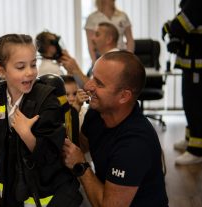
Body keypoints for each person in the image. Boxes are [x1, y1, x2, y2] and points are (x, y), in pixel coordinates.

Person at [0, 34, 82, 207]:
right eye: (21, 67)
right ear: (1, 70)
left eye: (33, 64)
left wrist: (27, 135)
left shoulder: (47, 100)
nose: (30, 72)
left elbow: (52, 152)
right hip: (11, 186)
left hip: (45, 190)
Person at [62, 51, 169, 207]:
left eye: (99, 83)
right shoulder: (97, 114)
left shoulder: (135, 144)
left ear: (124, 96)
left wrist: (81, 165)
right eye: (92, 76)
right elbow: (81, 145)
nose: (87, 86)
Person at [162, 0, 202, 165]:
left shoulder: (196, 3)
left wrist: (169, 28)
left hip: (197, 65)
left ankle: (196, 150)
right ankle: (190, 139)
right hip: (190, 64)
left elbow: (179, 26)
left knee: (195, 105)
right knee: (189, 103)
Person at [60, 22, 120, 88]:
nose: (92, 38)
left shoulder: (113, 61)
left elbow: (94, 88)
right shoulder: (105, 58)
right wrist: (72, 69)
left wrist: (76, 69)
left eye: (97, 35)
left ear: (109, 39)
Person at [84, 0, 134, 67]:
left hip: (121, 55)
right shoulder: (92, 18)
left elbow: (130, 39)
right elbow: (90, 43)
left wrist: (129, 58)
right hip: (101, 56)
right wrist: (95, 62)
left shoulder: (123, 16)